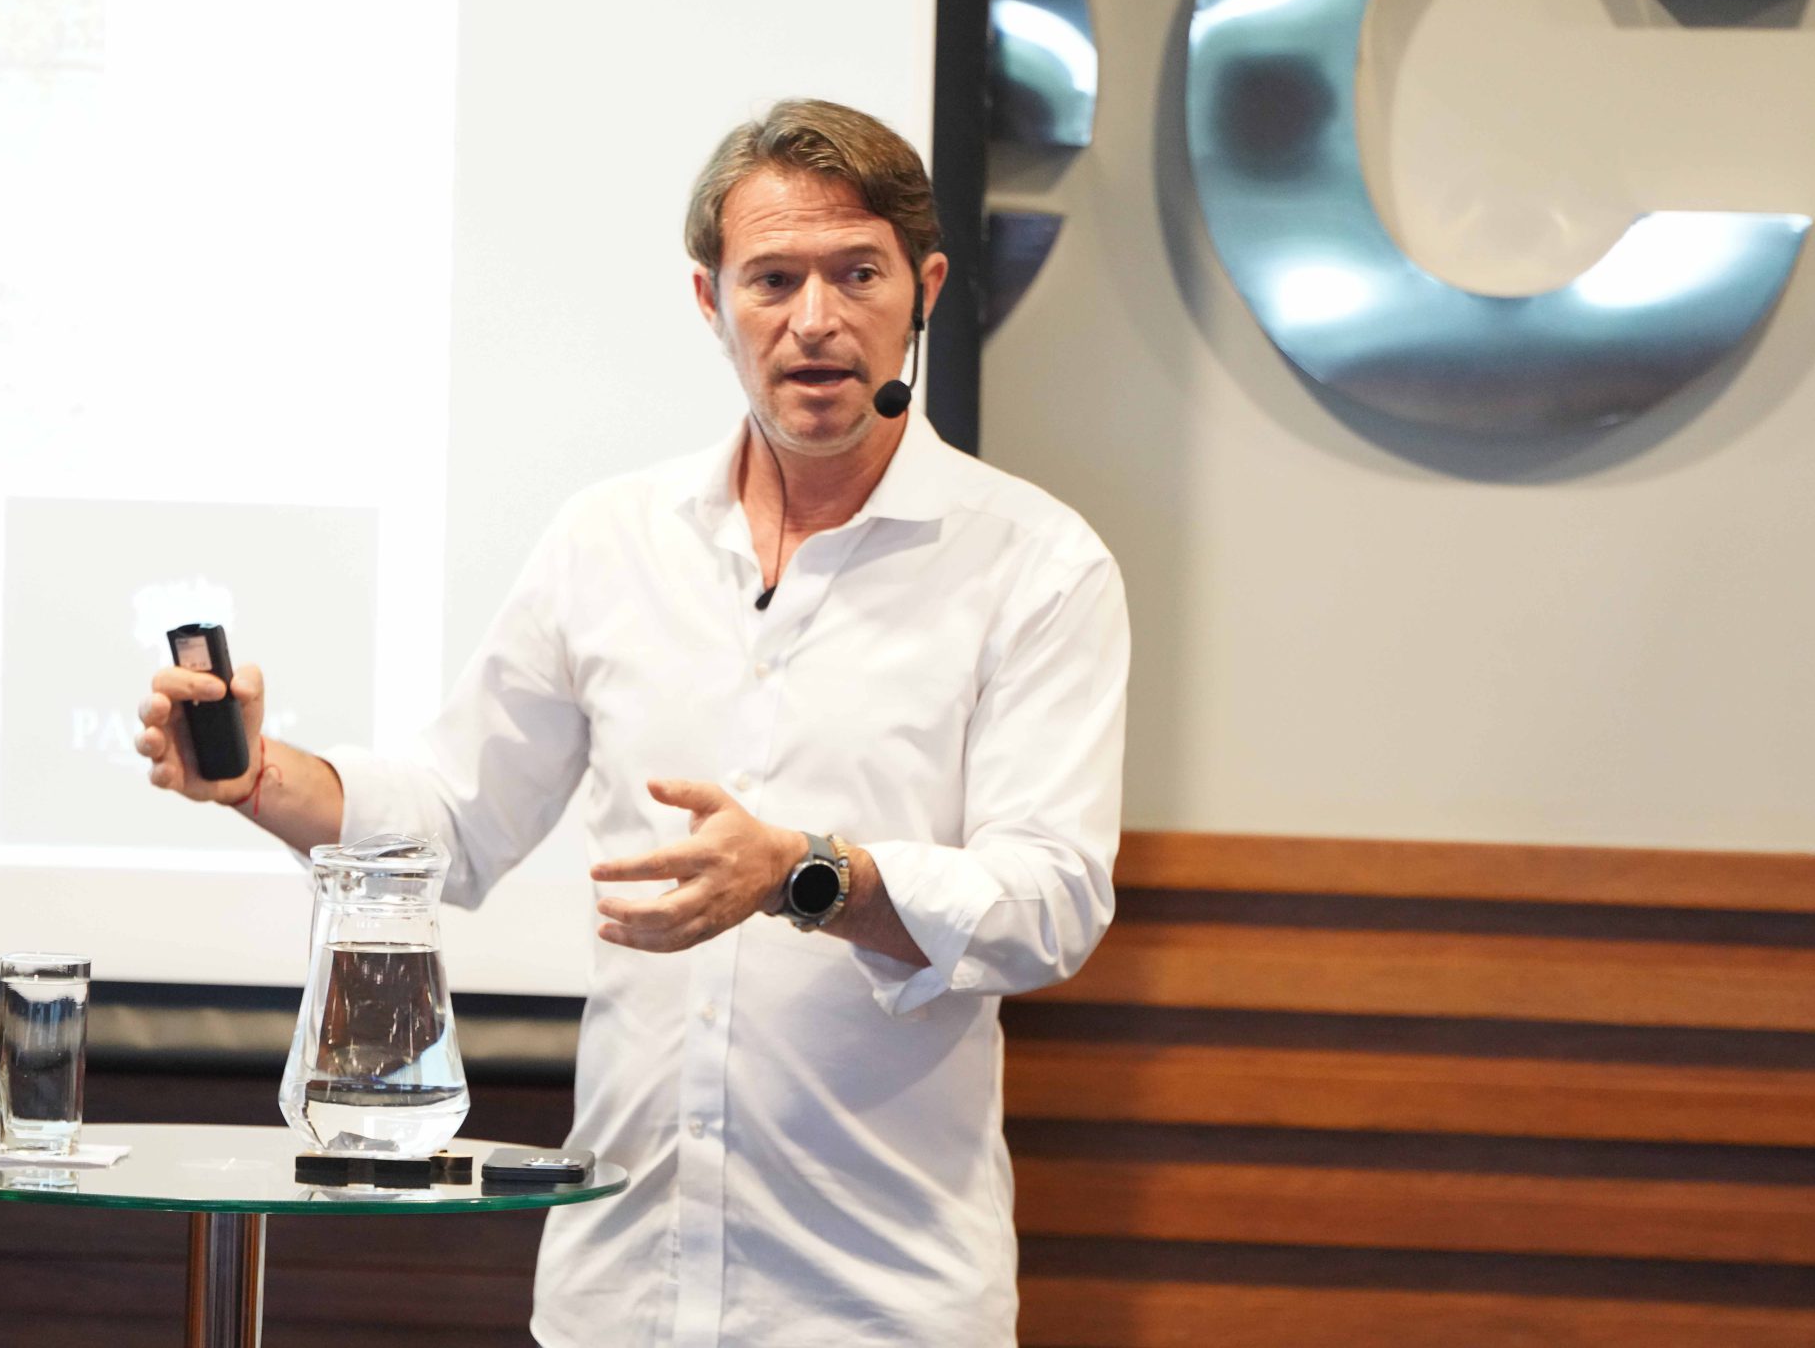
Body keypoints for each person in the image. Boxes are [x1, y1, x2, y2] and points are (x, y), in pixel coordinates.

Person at [137, 98, 1128, 1347]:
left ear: (921, 290)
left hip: (877, 1299)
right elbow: (454, 816)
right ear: (710, 301)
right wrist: (258, 775)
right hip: (619, 1287)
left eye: (856, 273)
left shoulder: (1036, 564)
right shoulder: (609, 538)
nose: (814, 319)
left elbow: (1051, 900)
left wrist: (806, 873)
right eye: (772, 278)